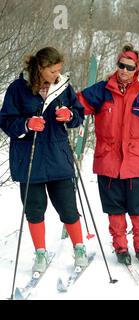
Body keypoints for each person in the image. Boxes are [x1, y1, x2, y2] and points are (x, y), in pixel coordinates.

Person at [0, 47, 88, 272]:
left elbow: (79, 114)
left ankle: (79, 248)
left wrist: (70, 116)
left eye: (59, 70)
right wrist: (27, 125)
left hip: (58, 156)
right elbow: (6, 121)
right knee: (34, 210)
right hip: (29, 159)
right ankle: (40, 253)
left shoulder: (63, 87)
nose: (57, 74)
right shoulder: (18, 89)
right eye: (52, 70)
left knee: (68, 207)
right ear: (40, 68)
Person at [77, 44, 139, 266]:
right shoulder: (102, 90)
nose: (124, 70)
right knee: (115, 209)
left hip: (135, 162)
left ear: (137, 70)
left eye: (129, 67)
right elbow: (78, 105)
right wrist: (62, 106)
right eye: (121, 65)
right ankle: (120, 246)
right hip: (108, 161)